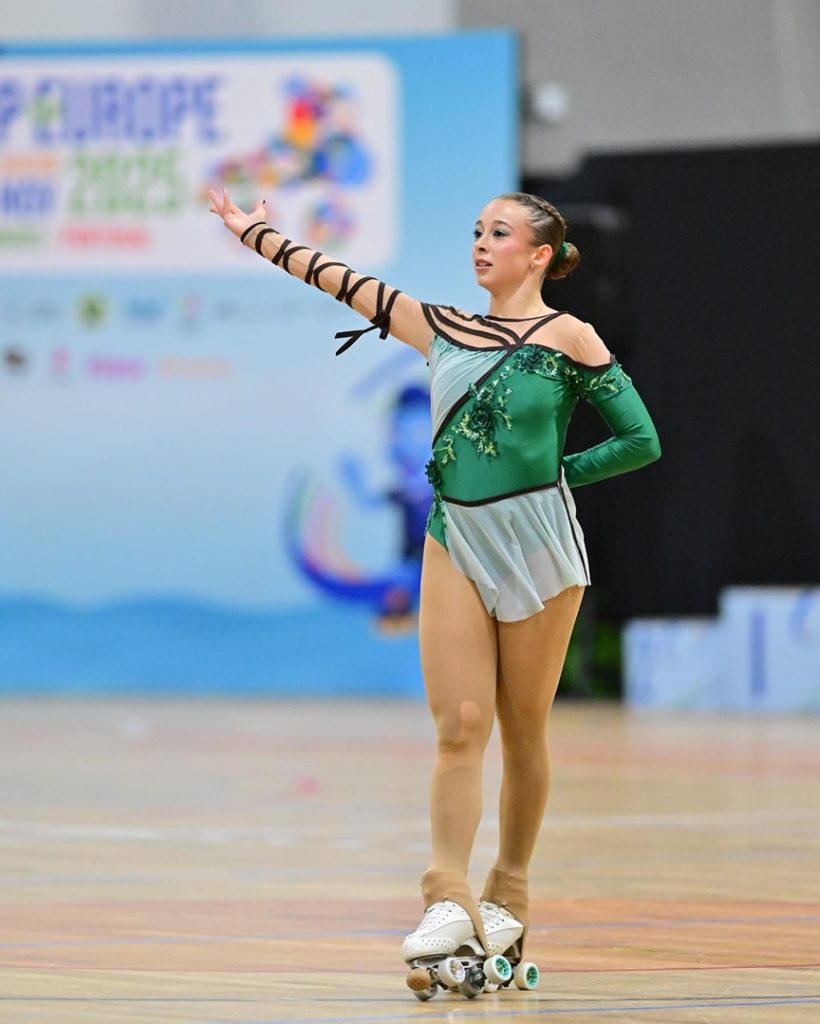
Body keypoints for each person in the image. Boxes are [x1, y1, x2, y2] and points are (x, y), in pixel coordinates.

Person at [208, 187, 661, 993]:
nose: (482, 243)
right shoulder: (441, 326)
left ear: (541, 255)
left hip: (542, 547)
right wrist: (257, 234)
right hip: (456, 537)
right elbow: (341, 280)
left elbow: (640, 440)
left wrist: (559, 475)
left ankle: (509, 890)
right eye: (477, 230)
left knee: (523, 731)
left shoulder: (571, 338)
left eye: (500, 232)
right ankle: (447, 894)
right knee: (460, 725)